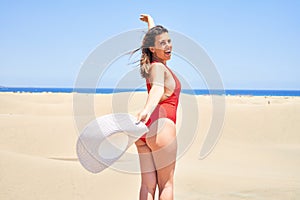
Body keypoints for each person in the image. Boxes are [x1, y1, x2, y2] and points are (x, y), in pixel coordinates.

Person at [135, 14, 181, 200]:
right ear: (153, 48)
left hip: (145, 131)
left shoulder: (154, 65)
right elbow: (157, 90)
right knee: (166, 184)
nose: (168, 45)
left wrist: (150, 23)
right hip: (162, 127)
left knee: (147, 185)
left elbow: (151, 42)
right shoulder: (159, 68)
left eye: (169, 41)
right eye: (163, 43)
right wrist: (146, 110)